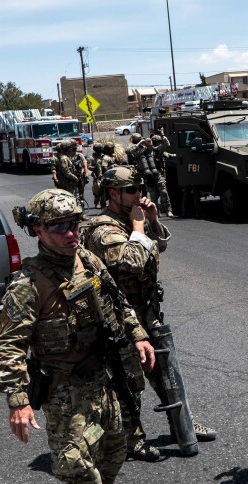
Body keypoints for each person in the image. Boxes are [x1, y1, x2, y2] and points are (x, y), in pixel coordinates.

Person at [0, 188, 156, 484]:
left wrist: (139, 335)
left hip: (105, 381)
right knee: (80, 471)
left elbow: (119, 303)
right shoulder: (28, 284)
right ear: (39, 231)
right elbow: (6, 347)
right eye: (59, 226)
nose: (70, 232)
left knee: (114, 451)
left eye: (74, 223)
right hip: (65, 392)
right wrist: (18, 400)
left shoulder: (88, 259)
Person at [81, 165, 216, 462]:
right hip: (121, 317)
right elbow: (133, 262)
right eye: (132, 190)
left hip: (147, 310)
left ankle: (182, 421)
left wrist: (152, 221)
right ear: (113, 193)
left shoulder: (131, 219)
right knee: (130, 379)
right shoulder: (103, 229)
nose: (139, 194)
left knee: (165, 371)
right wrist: (139, 227)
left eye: (140, 188)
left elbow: (159, 249)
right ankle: (133, 438)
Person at [126, 131, 173, 217]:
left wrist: (163, 134)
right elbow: (129, 151)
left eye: (150, 143)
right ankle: (156, 212)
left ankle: (168, 210)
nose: (148, 145)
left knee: (164, 192)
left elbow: (166, 144)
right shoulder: (139, 152)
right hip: (147, 177)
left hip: (158, 175)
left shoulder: (155, 151)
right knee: (153, 196)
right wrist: (140, 143)